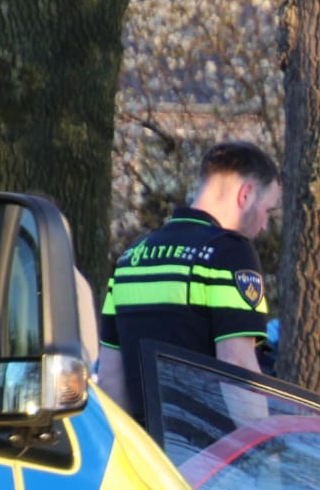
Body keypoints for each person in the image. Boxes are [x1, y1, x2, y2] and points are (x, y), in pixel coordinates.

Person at [95, 141, 281, 416]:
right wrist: (263, 453)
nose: (265, 224)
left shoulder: (130, 258)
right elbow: (237, 365)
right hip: (206, 451)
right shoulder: (228, 252)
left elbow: (110, 377)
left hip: (147, 453)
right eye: (268, 210)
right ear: (246, 194)